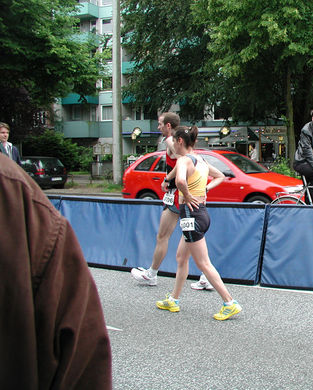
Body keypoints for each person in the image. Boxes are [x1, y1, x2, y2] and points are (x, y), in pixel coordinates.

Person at [0, 154, 111, 389]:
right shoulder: (16, 191)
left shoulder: (15, 191)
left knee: (188, 257)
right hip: (187, 210)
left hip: (187, 211)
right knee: (183, 256)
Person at [156, 125, 242, 321]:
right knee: (181, 258)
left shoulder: (185, 160)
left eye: (172, 143)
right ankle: (174, 299)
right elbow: (220, 176)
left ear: (179, 141)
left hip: (191, 215)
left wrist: (186, 195)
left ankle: (229, 302)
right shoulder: (200, 160)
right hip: (199, 214)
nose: (171, 149)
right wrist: (204, 190)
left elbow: (179, 182)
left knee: (203, 263)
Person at [131, 112, 214, 290]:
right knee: (190, 238)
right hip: (182, 195)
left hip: (179, 196)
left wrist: (167, 180)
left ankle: (152, 274)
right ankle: (205, 276)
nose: (158, 127)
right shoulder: (180, 140)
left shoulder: (171, 142)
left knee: (164, 236)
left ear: (169, 126)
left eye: (160, 124)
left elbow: (182, 163)